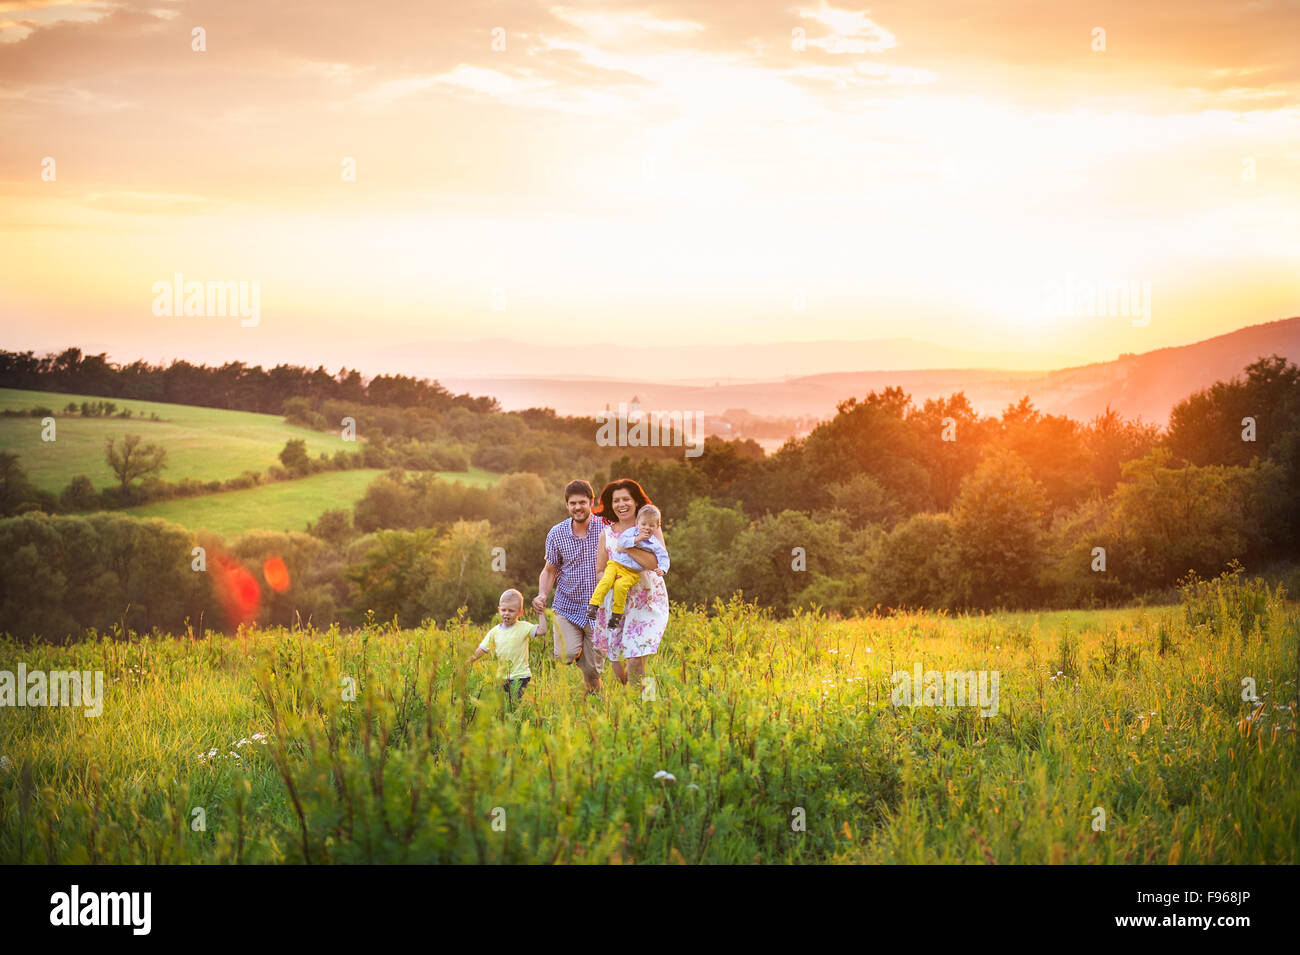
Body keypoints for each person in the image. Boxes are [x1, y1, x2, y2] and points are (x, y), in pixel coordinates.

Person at [534, 480, 618, 694]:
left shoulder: (607, 528)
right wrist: (542, 594)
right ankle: (579, 651)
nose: (578, 507)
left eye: (582, 502)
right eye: (573, 503)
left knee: (592, 672)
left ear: (592, 502)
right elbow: (550, 569)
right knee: (565, 655)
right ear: (567, 505)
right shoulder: (557, 533)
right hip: (566, 606)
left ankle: (595, 703)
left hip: (598, 609)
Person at [591, 479, 670, 691]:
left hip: (646, 600)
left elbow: (654, 563)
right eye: (616, 500)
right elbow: (599, 571)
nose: (621, 504)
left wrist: (627, 548)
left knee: (636, 658)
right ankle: (635, 696)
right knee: (618, 664)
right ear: (611, 504)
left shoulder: (649, 528)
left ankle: (644, 704)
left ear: (636, 502)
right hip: (617, 600)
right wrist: (612, 578)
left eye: (626, 499)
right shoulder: (606, 534)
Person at [587, 504, 669, 630]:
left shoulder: (654, 543)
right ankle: (593, 605)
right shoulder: (631, 533)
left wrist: (663, 568)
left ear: (657, 526)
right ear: (637, 523)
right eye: (644, 524)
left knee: (621, 587)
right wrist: (637, 539)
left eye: (651, 525)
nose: (647, 528)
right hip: (616, 565)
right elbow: (622, 543)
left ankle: (616, 614)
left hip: (632, 573)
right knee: (606, 580)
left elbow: (663, 556)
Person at [468, 588, 546, 702]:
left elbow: (542, 630)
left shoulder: (523, 627)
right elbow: (483, 648)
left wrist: (541, 613)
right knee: (503, 708)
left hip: (521, 676)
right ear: (499, 610)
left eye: (511, 610)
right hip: (502, 677)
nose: (506, 613)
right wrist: (471, 659)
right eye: (504, 610)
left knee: (515, 704)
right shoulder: (494, 632)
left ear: (520, 612)